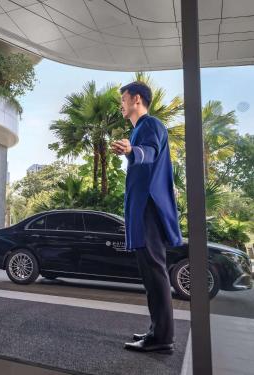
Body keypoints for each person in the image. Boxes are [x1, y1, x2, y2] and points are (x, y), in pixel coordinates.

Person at [111, 81, 182, 353]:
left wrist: (132, 151)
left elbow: (150, 153)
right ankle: (157, 331)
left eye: (124, 98)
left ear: (136, 99)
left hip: (149, 209)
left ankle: (163, 338)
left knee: (155, 272)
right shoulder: (139, 129)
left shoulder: (150, 125)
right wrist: (130, 150)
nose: (122, 103)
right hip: (143, 210)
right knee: (151, 274)